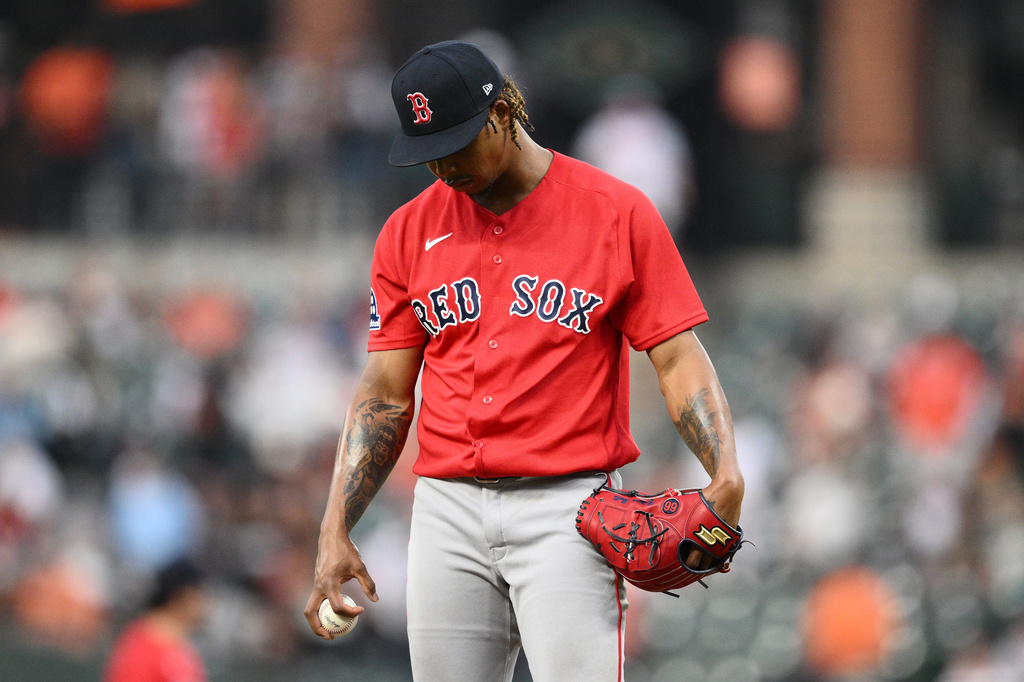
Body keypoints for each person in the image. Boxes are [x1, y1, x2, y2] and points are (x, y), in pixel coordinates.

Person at [305, 40, 745, 681]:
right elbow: (384, 394)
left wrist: (724, 469)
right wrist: (335, 524)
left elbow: (677, 358)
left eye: (455, 144)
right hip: (446, 511)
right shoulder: (407, 230)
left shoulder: (616, 213)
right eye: (427, 154)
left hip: (566, 508)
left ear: (503, 113)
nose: (443, 168)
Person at [103, 558, 209, 682]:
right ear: (183, 594)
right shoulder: (140, 648)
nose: (207, 603)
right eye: (202, 593)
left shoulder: (184, 647)